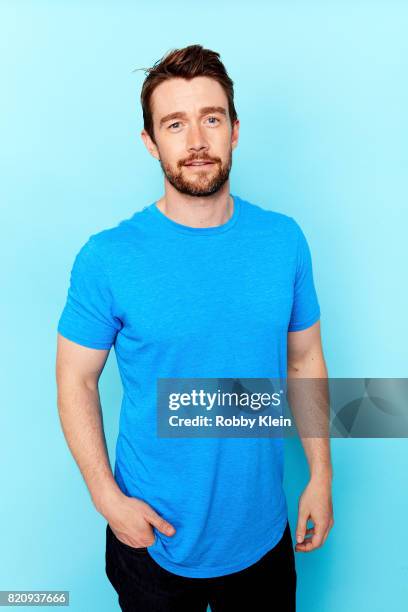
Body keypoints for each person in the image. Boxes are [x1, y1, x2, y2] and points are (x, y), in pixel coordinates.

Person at [56, 44, 334, 611]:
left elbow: (304, 360)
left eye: (211, 118)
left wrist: (321, 475)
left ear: (234, 130)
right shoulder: (107, 257)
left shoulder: (283, 241)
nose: (197, 140)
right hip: (151, 540)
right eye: (175, 124)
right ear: (150, 142)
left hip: (262, 533)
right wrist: (107, 499)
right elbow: (76, 382)